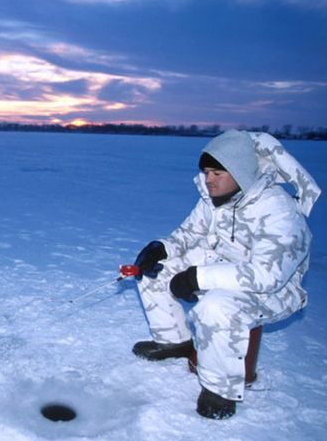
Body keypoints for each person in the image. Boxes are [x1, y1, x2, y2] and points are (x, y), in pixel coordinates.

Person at [131, 129, 320, 419]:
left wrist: (198, 278)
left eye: (217, 172)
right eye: (207, 172)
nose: (209, 180)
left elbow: (268, 275)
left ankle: (220, 390)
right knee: (157, 271)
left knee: (215, 307)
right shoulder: (213, 199)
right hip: (221, 266)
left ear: (241, 172)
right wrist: (162, 248)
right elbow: (189, 233)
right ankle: (174, 340)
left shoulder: (279, 212)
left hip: (274, 290)